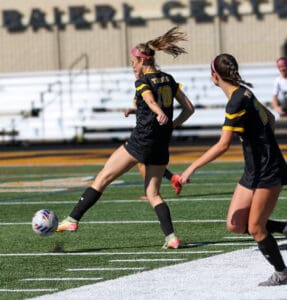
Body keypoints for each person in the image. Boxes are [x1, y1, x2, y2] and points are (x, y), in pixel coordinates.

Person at [56, 27, 195, 249]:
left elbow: (150, 100)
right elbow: (189, 109)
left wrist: (157, 111)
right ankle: (171, 238)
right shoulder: (169, 79)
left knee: (102, 179)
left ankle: (72, 220)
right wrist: (168, 123)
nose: (132, 66)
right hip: (161, 145)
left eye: (133, 62)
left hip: (140, 143)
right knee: (153, 194)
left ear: (142, 61)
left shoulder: (142, 82)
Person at [180, 53, 287, 286]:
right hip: (254, 168)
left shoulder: (237, 100)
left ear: (214, 76)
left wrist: (190, 170)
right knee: (236, 224)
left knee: (256, 228)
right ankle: (284, 229)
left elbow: (223, 144)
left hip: (267, 169)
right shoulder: (244, 93)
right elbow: (270, 118)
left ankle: (282, 273)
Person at [124, 107, 182, 199]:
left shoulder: (148, 94)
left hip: (149, 132)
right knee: (149, 162)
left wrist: (135, 111)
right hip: (153, 130)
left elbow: (151, 109)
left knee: (141, 161)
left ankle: (150, 192)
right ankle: (173, 178)